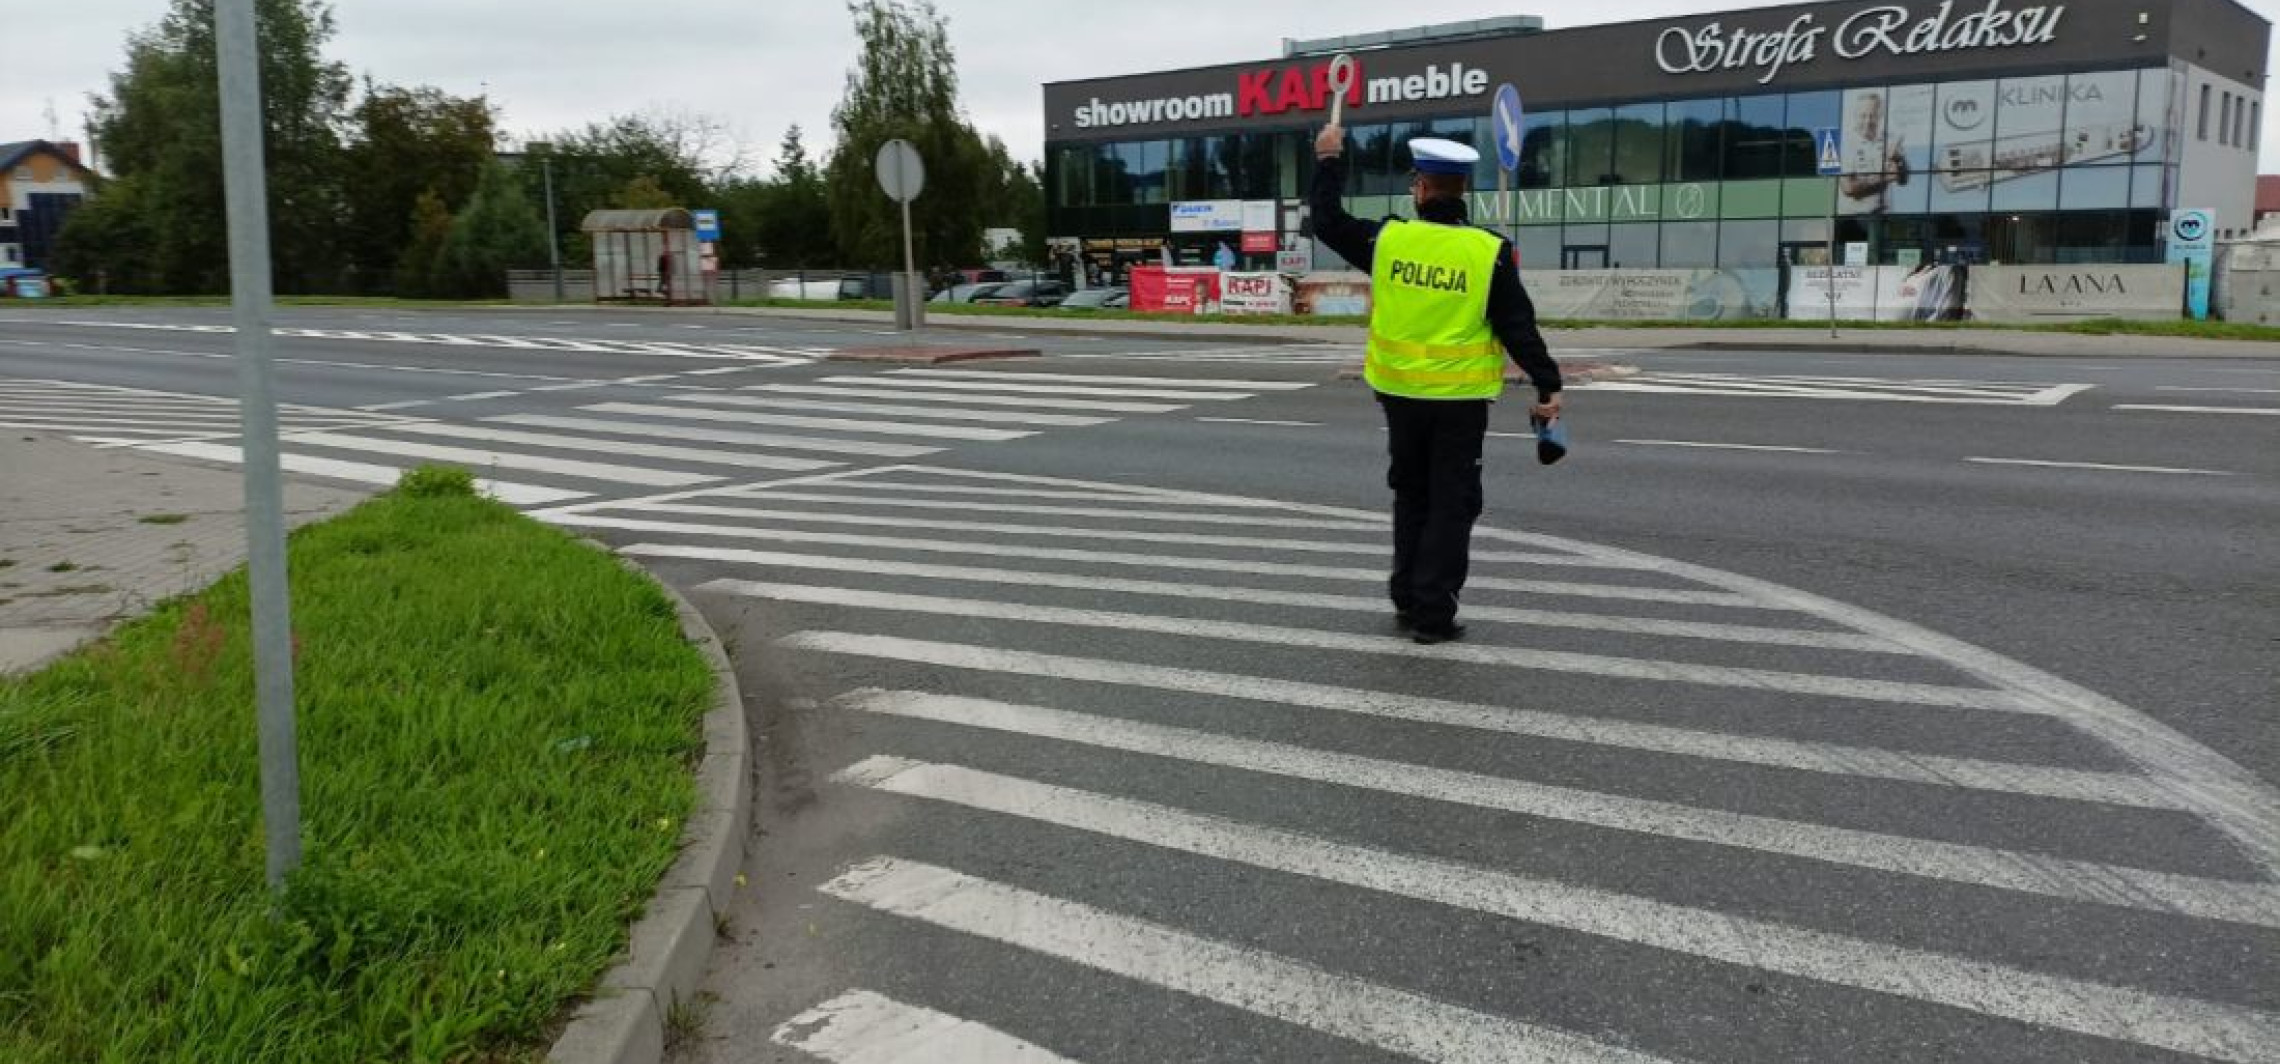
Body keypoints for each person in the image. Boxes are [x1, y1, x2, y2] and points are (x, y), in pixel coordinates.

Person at [1310, 123, 1563, 645]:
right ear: (1461, 190)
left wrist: (1329, 159)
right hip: (1459, 403)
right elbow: (1517, 325)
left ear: (1421, 188)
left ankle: (1406, 595)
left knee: (1411, 496)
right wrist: (1548, 385)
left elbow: (1328, 222)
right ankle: (1432, 613)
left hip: (1398, 396)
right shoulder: (1488, 251)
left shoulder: (1389, 240)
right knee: (1452, 504)